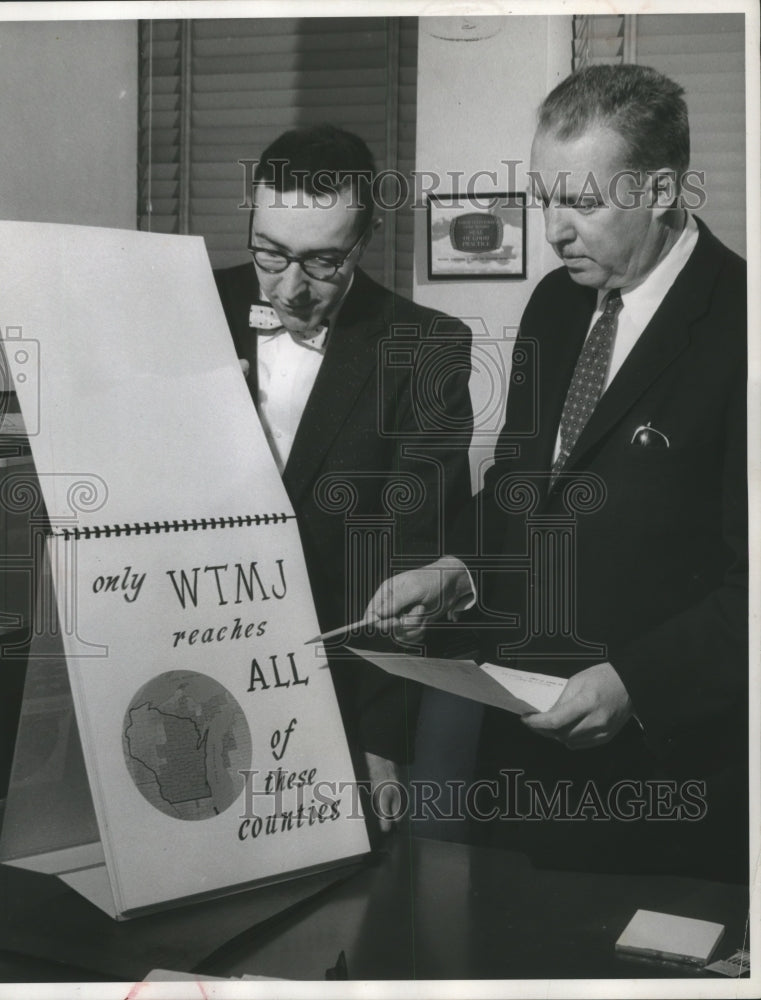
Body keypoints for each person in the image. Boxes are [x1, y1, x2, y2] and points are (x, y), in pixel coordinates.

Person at [366, 65, 747, 878]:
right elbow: (516, 488)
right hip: (525, 761)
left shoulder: (740, 326)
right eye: (544, 199)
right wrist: (454, 568)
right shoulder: (554, 303)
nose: (554, 229)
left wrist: (637, 683)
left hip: (669, 778)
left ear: (659, 189)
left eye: (581, 202)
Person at [213, 125, 474, 832]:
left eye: (322, 263)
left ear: (364, 241)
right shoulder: (187, 310)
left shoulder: (426, 347)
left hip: (334, 688)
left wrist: (379, 743)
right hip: (194, 663)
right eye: (269, 253)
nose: (290, 288)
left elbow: (410, 559)